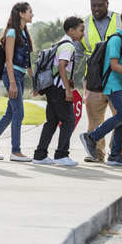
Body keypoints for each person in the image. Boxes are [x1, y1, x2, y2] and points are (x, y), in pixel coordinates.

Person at [79, 6, 122, 167]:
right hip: (113, 84)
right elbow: (114, 65)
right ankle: (91, 137)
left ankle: (115, 155)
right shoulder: (116, 39)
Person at [73, 0, 122, 163]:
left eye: (100, 5)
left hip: (117, 77)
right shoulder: (84, 24)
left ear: (107, 3)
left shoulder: (120, 20)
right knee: (94, 118)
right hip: (93, 79)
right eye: (93, 5)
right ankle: (96, 154)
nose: (96, 9)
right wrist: (70, 76)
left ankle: (118, 152)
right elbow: (77, 53)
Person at [0, 2, 34, 162]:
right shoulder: (12, 32)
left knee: (11, 113)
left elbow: (28, 62)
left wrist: (35, 82)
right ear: (21, 14)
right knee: (19, 113)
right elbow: (9, 60)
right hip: (12, 75)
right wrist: (12, 82)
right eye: (30, 12)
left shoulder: (24, 33)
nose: (32, 14)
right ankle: (16, 151)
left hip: (21, 74)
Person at [33, 16, 85, 166]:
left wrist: (68, 80)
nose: (83, 34)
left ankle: (40, 155)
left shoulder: (60, 43)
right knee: (69, 120)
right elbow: (62, 66)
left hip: (52, 87)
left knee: (52, 122)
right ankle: (61, 155)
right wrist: (67, 89)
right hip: (59, 89)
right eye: (81, 30)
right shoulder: (68, 45)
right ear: (71, 30)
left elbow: (58, 67)